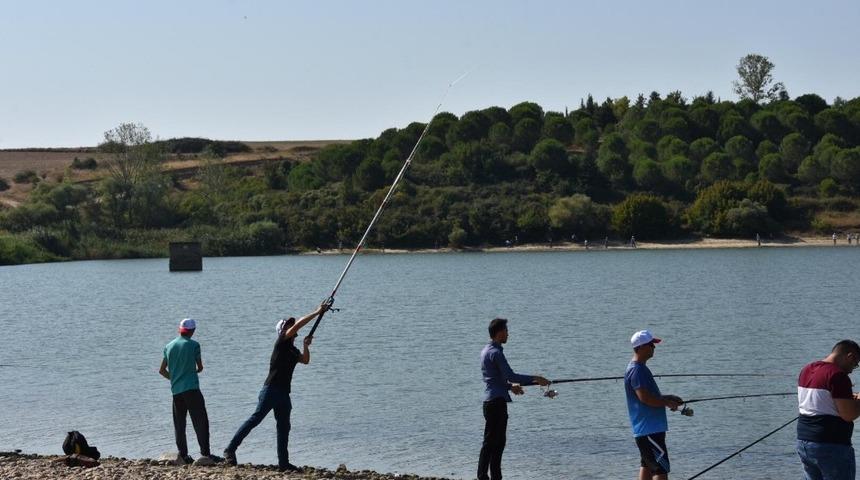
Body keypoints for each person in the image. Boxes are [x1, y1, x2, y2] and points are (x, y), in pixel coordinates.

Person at [223, 303, 329, 471]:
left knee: (284, 427)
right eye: (288, 324)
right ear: (283, 330)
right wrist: (318, 311)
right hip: (270, 390)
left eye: (291, 324)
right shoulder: (280, 342)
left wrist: (306, 346)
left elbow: (305, 360)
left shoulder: (293, 350)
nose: (291, 325)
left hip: (284, 394)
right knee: (255, 419)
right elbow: (300, 323)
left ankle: (284, 463)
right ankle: (230, 449)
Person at [478, 318, 549, 480]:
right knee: (494, 443)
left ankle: (493, 477)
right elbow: (511, 376)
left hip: (490, 401)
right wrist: (536, 378)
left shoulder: (485, 351)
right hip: (496, 403)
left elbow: (494, 379)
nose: (508, 334)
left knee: (495, 442)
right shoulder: (496, 353)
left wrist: (510, 387)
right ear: (499, 333)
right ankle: (483, 476)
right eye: (506, 331)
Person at [159, 318, 222, 464]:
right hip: (192, 389)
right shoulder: (194, 345)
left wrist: (174, 378)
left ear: (179, 330)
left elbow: (162, 370)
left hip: (176, 391)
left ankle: (184, 455)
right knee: (200, 421)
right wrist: (194, 371)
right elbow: (200, 367)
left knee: (180, 424)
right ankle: (205, 454)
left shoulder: (169, 346)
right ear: (192, 331)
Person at [796, 340, 860, 480]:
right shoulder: (838, 375)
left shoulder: (807, 369)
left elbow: (821, 400)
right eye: (855, 364)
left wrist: (849, 397)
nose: (852, 370)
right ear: (849, 356)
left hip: (804, 442)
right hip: (831, 445)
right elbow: (849, 415)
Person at [624, 330, 683, 480]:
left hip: (647, 430)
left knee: (647, 466)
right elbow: (645, 398)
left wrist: (668, 397)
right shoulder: (637, 370)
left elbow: (648, 397)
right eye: (651, 345)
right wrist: (668, 403)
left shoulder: (639, 368)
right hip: (649, 430)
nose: (654, 348)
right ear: (642, 347)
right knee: (661, 470)